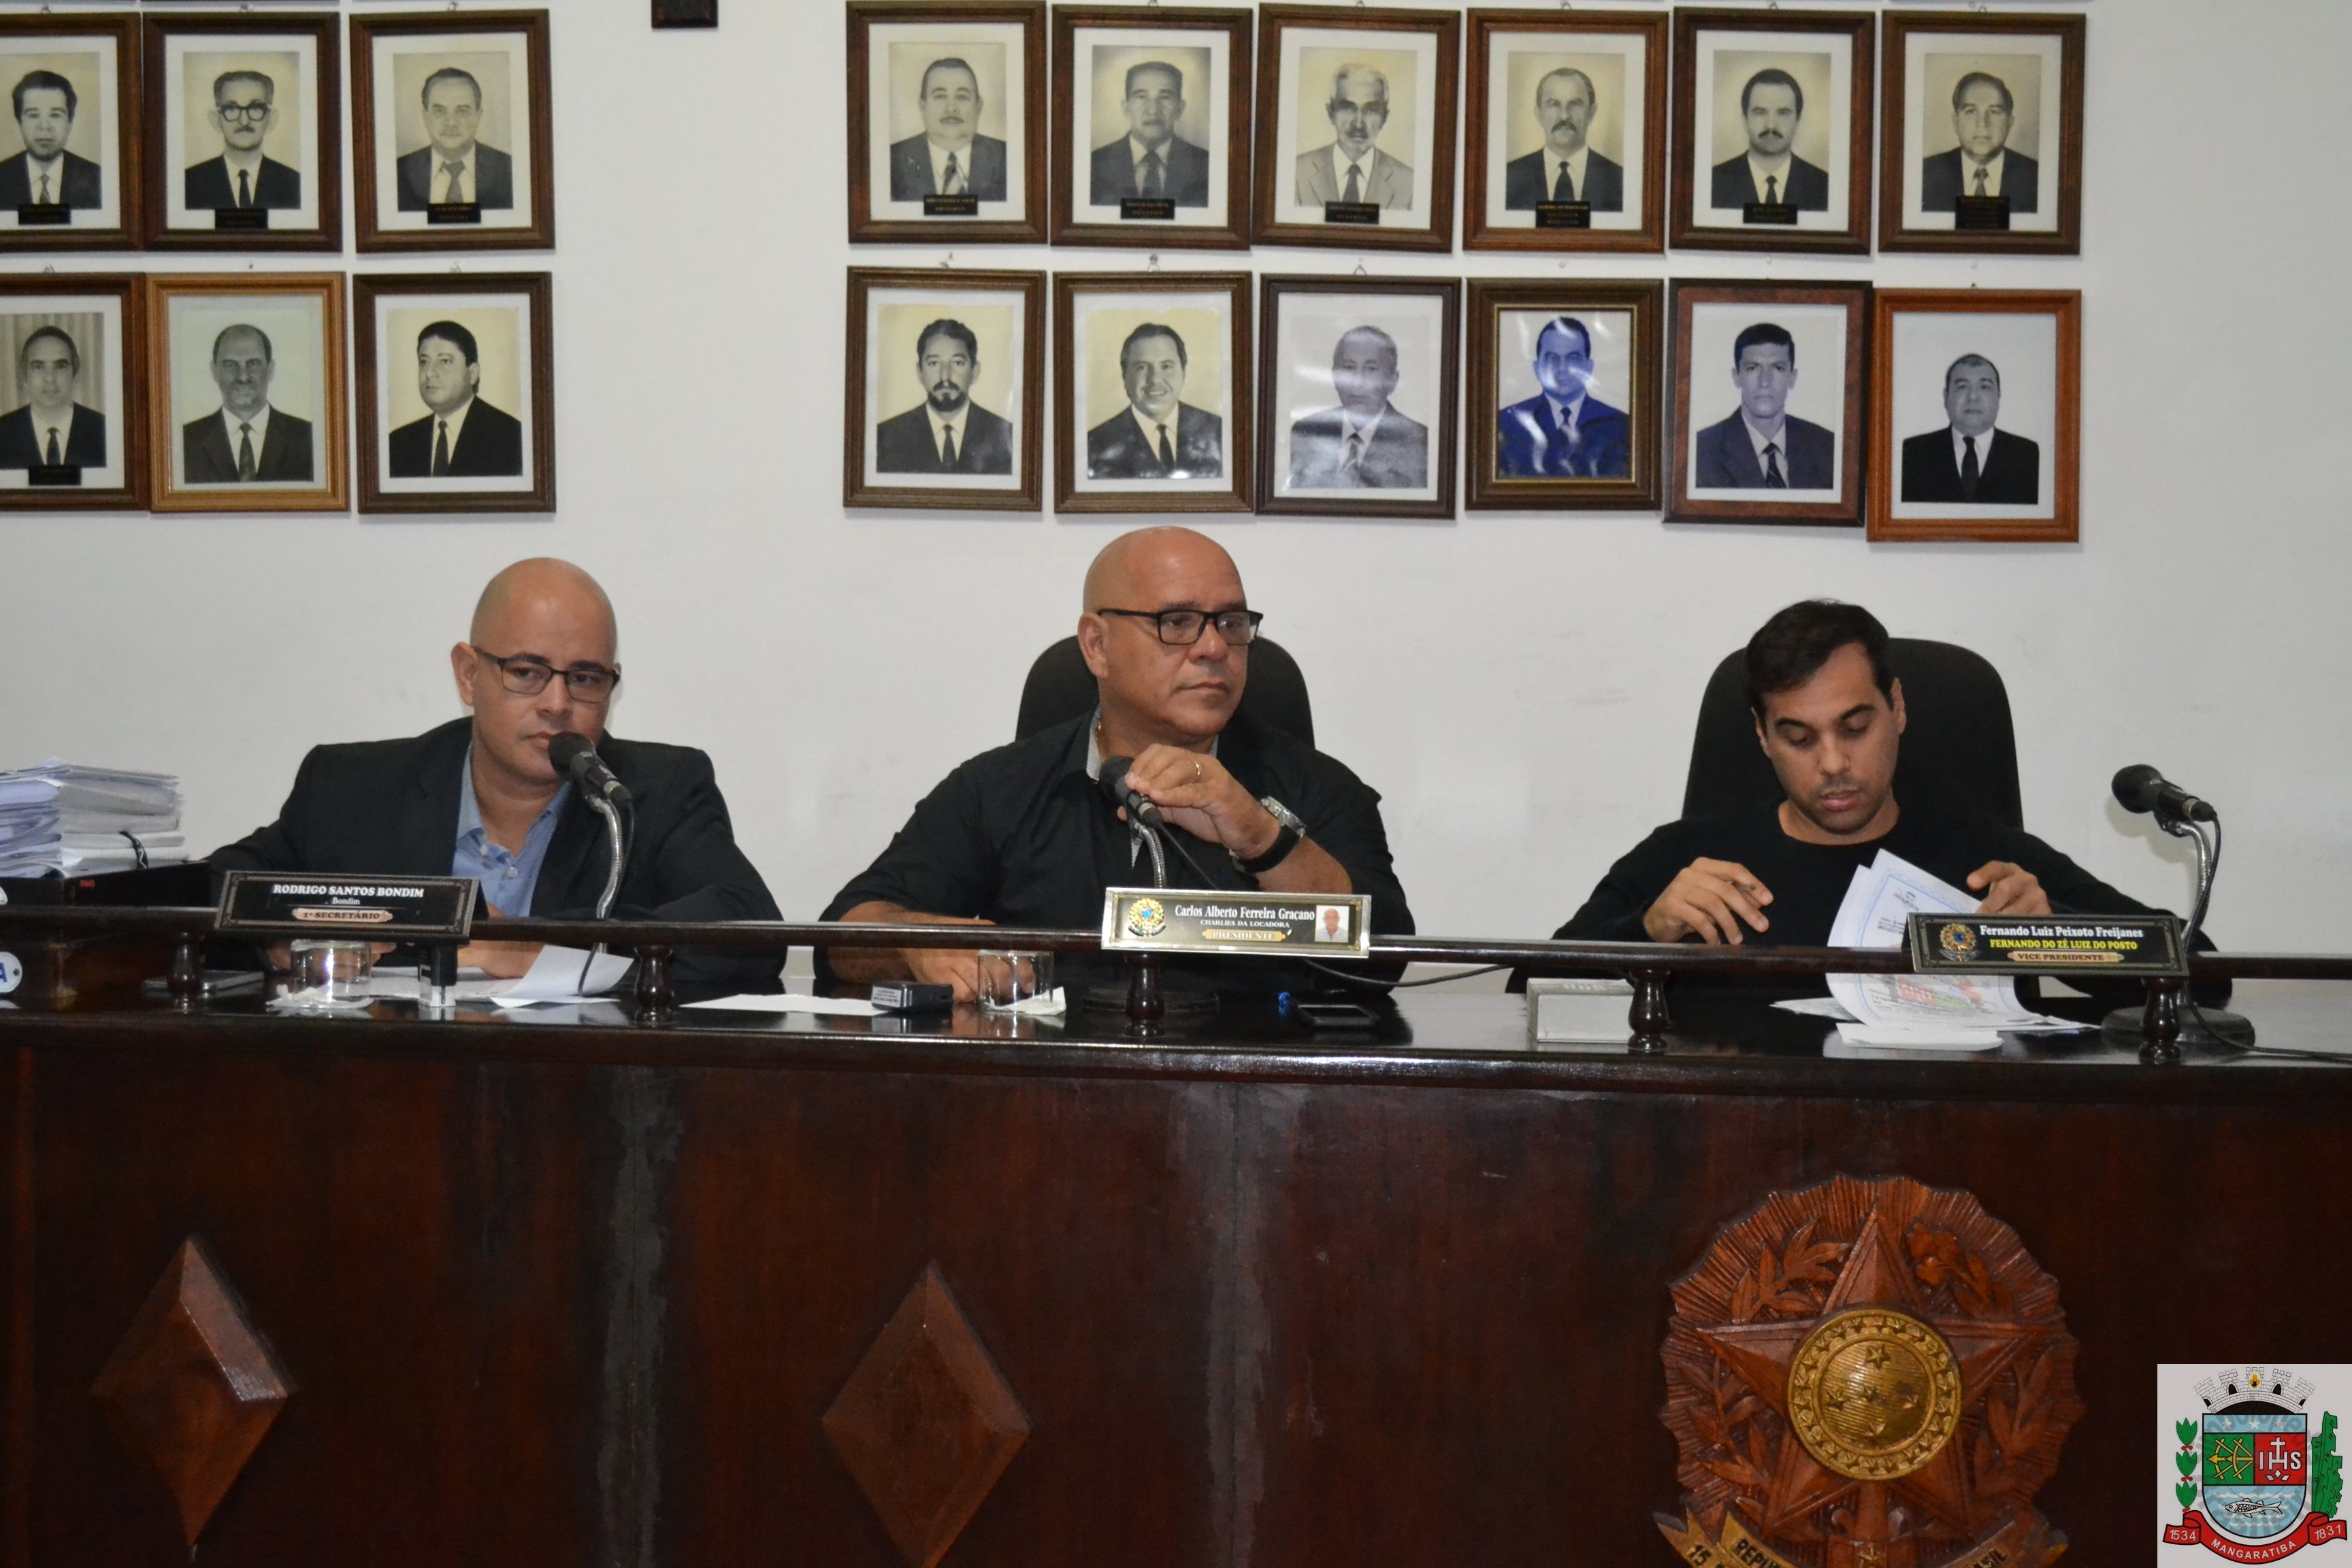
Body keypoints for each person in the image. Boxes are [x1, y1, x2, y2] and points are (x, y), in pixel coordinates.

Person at [820, 526, 1412, 1000]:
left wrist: (1261, 836)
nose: (1214, 648)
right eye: (1177, 623)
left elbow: (1386, 959)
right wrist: (914, 948)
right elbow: (842, 933)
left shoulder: (1319, 787)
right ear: (1097, 646)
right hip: (1049, 1093)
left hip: (1256, 1093)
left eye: (1232, 624)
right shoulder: (999, 789)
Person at [1526, 600, 2209, 1005]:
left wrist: (2053, 934)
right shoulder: (1690, 861)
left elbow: (2204, 978)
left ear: (1898, 708)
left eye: (1855, 728)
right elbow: (1528, 986)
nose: (1832, 763)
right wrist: (1646, 933)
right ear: (1762, 736)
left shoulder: (1987, 859)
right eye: (1799, 738)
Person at [210, 558, 783, 999]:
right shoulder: (354, 787)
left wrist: (541, 944)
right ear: (468, 674)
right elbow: (215, 887)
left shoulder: (651, 791)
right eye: (527, 672)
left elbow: (749, 927)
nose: (557, 703)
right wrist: (274, 934)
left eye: (585, 679)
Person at [1692, 323, 1835, 490]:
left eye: (1778, 368)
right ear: (1736, 377)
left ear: (1792, 377)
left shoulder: (1827, 446)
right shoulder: (1699, 452)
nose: (1765, 382)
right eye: (1752, 368)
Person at [1286, 325, 1427, 489]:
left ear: (1392, 381)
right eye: (1349, 368)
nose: (1357, 382)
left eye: (1371, 369)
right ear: (1334, 377)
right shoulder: (1306, 433)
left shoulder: (1419, 442)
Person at [872, 317, 1015, 475]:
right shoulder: (884, 438)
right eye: (934, 363)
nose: (945, 376)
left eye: (957, 363)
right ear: (920, 372)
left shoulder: (1008, 437)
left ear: (975, 372)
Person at [1494, 316, 1629, 479]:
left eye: (1573, 358)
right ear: (1537, 368)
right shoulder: (1507, 423)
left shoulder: (1620, 426)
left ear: (1589, 367)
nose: (1562, 369)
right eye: (1552, 358)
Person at [388, 319, 525, 478]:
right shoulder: (398, 442)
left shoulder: (511, 437)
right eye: (424, 362)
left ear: (473, 373)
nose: (429, 373)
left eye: (444, 361)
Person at [1085, 322, 1222, 480]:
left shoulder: (1219, 432)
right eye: (1142, 367)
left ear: (1183, 372)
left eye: (1166, 366)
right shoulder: (1093, 446)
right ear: (1125, 376)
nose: (1155, 379)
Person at [182, 324, 314, 485]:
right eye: (230, 365)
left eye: (253, 363)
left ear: (271, 370)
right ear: (214, 371)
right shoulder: (185, 442)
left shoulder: (308, 439)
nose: (243, 377)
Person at [1900, 353, 2039, 504]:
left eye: (1984, 387)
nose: (1973, 396)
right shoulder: (1912, 454)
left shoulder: (2027, 456)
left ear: (1998, 396)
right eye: (1962, 387)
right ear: (1946, 397)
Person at [1501, 66, 1624, 212]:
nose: (1564, 116)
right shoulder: (1509, 177)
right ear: (1539, 114)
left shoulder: (1619, 180)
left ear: (1591, 113)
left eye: (1575, 105)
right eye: (1554, 105)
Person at [1089, 61, 1208, 207]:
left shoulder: (1205, 165)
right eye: (1141, 97)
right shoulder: (1095, 164)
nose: (1153, 109)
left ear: (1180, 109)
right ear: (1126, 108)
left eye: (1165, 97)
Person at [1294, 64, 1412, 210]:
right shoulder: (1297, 173)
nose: (1358, 124)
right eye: (1348, 108)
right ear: (1331, 113)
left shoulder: (1409, 183)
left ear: (1384, 118)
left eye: (1371, 110)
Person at [395, 67, 514, 210]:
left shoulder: (509, 170)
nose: (451, 122)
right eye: (439, 111)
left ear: (479, 116)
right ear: (425, 117)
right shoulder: (398, 173)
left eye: (462, 111)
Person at [889, 57, 1007, 202]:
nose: (951, 108)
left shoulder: (1006, 159)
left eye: (962, 96)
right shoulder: (892, 161)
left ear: (978, 107)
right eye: (940, 96)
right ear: (923, 107)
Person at [1710, 68, 1828, 211]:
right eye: (1760, 112)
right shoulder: (1713, 182)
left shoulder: (1824, 186)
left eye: (1783, 113)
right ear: (1745, 119)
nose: (1771, 125)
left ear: (1798, 120)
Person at [1921, 71, 2038, 214]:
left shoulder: (2035, 177)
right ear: (1956, 122)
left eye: (1994, 111)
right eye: (1971, 111)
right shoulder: (1925, 175)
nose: (1982, 123)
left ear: (2009, 122)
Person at [184, 69, 301, 211]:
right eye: (231, 109)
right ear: (216, 120)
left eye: (255, 108)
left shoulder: (295, 184)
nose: (244, 121)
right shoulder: (189, 183)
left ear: (271, 119)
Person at [0, 325, 105, 469]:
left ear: (74, 373)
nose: (50, 378)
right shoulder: (3, 433)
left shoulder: (103, 429)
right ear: (25, 375)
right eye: (38, 367)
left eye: (60, 366)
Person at [0, 69, 101, 208]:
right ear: (20, 122)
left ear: (70, 122)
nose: (44, 126)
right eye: (34, 115)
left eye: (55, 115)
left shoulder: (97, 178)